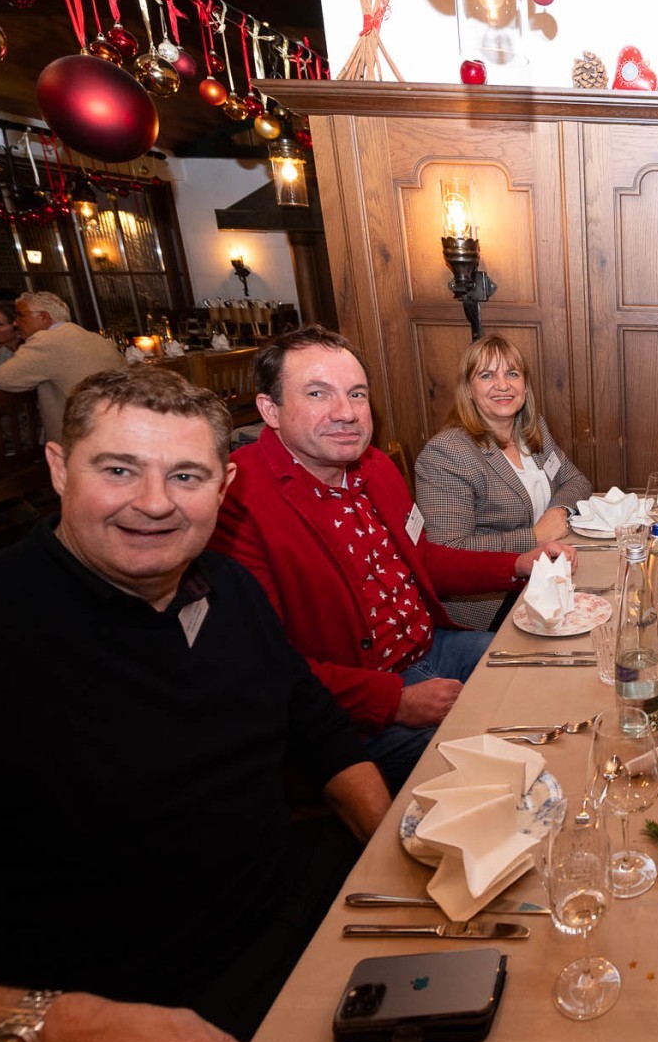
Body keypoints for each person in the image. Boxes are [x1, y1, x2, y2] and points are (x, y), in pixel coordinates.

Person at [0, 367, 390, 1042]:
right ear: (59, 467)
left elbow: (316, 725)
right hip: (118, 1022)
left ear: (225, 486)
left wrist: (390, 851)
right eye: (119, 470)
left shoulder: (225, 588)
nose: (155, 503)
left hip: (297, 916)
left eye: (186, 475)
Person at [211, 326, 575, 790]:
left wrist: (518, 564)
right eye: (318, 393)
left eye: (356, 394)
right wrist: (393, 701)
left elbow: (425, 560)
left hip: (432, 646)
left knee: (557, 672)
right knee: (514, 763)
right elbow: (265, 665)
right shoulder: (238, 498)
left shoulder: (375, 467)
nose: (346, 413)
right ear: (270, 409)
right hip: (352, 707)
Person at [413, 335, 594, 629]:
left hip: (547, 581)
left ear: (525, 385)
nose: (503, 385)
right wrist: (534, 536)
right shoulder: (448, 453)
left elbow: (576, 480)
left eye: (512, 373)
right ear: (468, 390)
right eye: (487, 375)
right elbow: (447, 551)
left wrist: (558, 511)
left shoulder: (531, 431)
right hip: (492, 604)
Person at [0, 290, 123, 443]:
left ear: (44, 317)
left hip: (80, 439)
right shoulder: (95, 337)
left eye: (20, 315)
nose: (15, 323)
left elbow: (4, 378)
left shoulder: (45, 340)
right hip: (117, 428)